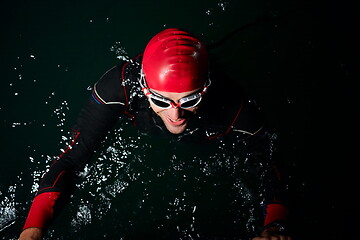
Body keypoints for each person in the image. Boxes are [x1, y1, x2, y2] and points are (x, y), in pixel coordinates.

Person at [19, 28, 291, 240]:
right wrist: (32, 229)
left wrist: (273, 226)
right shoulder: (118, 88)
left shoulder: (236, 110)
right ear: (145, 90)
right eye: (162, 101)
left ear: (206, 89)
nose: (176, 115)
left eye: (189, 100)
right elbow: (72, 159)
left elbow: (273, 166)